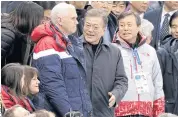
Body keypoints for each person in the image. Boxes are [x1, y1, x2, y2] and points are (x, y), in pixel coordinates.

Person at [30, 3, 92, 117]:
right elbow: (52, 84)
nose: (77, 22)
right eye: (73, 18)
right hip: (58, 112)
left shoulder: (69, 41)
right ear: (60, 20)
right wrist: (69, 112)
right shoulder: (47, 43)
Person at [114, 11, 165, 117]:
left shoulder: (150, 51)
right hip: (120, 111)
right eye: (122, 25)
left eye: (129, 25)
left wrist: (159, 111)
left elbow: (157, 81)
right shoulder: (112, 50)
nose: (125, 28)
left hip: (145, 111)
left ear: (138, 27)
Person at [82, 8, 128, 117]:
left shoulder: (114, 51)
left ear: (104, 30)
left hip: (104, 112)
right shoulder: (73, 48)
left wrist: (116, 94)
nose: (90, 30)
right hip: (78, 111)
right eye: (87, 25)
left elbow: (122, 80)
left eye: (95, 27)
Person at [1, 1, 44, 67]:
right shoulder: (7, 34)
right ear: (32, 19)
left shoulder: (21, 32)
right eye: (41, 19)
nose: (42, 22)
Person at [157, 11, 178, 115]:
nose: (177, 30)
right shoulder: (162, 52)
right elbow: (157, 83)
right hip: (170, 107)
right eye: (174, 26)